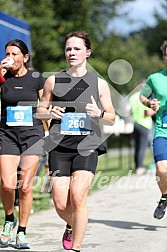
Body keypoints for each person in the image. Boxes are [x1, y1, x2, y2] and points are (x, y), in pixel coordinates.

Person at [37, 31, 115, 252]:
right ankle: (71, 225)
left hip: (87, 146)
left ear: (87, 52)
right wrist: (50, 112)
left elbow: (111, 117)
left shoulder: (99, 84)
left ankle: (76, 248)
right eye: (68, 49)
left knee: (78, 197)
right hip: (59, 147)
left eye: (76, 48)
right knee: (61, 204)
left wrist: (98, 113)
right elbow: (40, 111)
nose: (71, 52)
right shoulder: (54, 80)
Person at [0, 39, 45, 249]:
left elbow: (45, 108)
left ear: (25, 57)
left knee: (25, 186)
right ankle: (9, 219)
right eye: (7, 53)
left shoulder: (37, 79)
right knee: (8, 184)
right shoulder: (3, 78)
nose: (10, 57)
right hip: (7, 135)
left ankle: (22, 232)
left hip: (32, 136)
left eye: (15, 54)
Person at [140, 40, 167, 220]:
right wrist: (150, 102)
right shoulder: (155, 78)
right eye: (166, 54)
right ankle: (164, 197)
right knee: (162, 168)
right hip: (162, 130)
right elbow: (142, 95)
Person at [129, 80, 156, 175]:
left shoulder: (132, 97)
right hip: (145, 124)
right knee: (143, 147)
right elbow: (147, 113)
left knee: (137, 146)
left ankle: (137, 167)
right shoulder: (144, 98)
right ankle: (140, 168)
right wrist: (156, 110)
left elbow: (130, 111)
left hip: (136, 123)